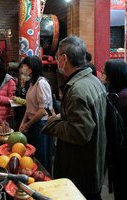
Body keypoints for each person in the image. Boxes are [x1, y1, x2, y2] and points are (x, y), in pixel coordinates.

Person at [45, 36, 107, 200]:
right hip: (95, 162)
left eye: (58, 57)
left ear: (64, 58)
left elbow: (79, 132)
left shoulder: (77, 89)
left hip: (80, 169)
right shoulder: (94, 80)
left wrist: (53, 123)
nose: (57, 61)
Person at [19, 56, 53, 173]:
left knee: (41, 158)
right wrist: (23, 122)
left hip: (40, 125)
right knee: (34, 157)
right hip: (33, 123)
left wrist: (28, 124)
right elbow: (29, 108)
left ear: (31, 68)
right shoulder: (32, 83)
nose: (23, 68)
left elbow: (43, 110)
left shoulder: (41, 83)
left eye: (24, 66)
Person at [103, 59, 127, 200]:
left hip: (122, 155)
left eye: (106, 72)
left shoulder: (121, 98)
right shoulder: (120, 94)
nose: (103, 74)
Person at [11, 61, 30, 130]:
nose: (22, 71)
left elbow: (31, 102)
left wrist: (18, 100)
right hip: (19, 113)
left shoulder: (32, 83)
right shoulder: (21, 81)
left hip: (28, 115)